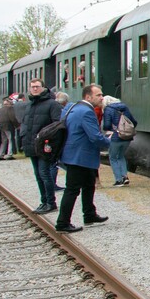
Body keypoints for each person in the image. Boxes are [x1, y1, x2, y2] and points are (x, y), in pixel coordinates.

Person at [54, 84, 111, 233]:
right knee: (72, 190)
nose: (101, 97)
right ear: (88, 97)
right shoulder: (86, 111)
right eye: (98, 95)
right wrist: (110, 142)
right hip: (79, 157)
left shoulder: (73, 108)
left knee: (89, 185)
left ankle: (89, 214)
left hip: (78, 155)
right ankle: (62, 223)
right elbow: (95, 136)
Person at [20, 79, 62, 215]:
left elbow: (57, 125)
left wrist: (48, 141)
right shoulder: (30, 105)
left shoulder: (52, 104)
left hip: (44, 145)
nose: (35, 89)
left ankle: (51, 202)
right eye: (32, 87)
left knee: (44, 173)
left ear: (43, 88)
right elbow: (26, 124)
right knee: (38, 175)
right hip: (32, 145)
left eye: (37, 87)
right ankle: (44, 201)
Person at [101, 95, 137, 186]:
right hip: (127, 137)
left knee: (113, 157)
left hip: (115, 137)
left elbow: (106, 125)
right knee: (121, 156)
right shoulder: (124, 107)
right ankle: (125, 177)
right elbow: (134, 122)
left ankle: (118, 180)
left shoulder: (107, 109)